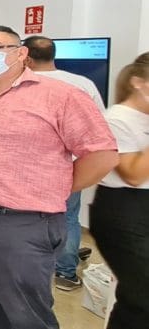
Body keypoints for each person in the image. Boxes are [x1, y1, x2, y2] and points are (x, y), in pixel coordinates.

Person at [0, 26, 117, 329]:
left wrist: (57, 187)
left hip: (21, 222)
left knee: (26, 311)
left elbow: (102, 155)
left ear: (21, 53)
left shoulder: (60, 96)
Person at [23, 35, 106, 292]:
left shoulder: (19, 85)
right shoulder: (83, 84)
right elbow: (100, 130)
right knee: (68, 218)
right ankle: (65, 273)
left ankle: (25, 270)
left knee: (21, 220)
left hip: (24, 167)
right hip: (69, 168)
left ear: (25, 57)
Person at [89, 54, 149, 328]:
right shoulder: (116, 119)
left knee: (136, 295)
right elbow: (133, 175)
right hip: (124, 212)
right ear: (138, 82)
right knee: (142, 296)